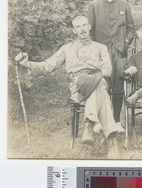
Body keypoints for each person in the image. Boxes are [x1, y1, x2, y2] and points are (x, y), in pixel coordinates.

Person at [15, 16, 120, 159]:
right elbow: (47, 65)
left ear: (89, 27)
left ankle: (88, 125)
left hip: (97, 81)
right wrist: (27, 64)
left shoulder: (100, 47)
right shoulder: (67, 48)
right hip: (77, 87)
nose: (82, 29)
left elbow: (107, 70)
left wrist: (93, 74)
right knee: (101, 91)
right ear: (74, 30)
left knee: (98, 84)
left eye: (84, 25)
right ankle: (112, 142)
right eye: (78, 27)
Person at [87, 0, 136, 131]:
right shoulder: (93, 6)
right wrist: (95, 50)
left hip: (119, 52)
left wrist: (125, 44)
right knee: (102, 85)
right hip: (101, 52)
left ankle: (116, 120)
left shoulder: (124, 4)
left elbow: (131, 29)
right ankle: (101, 121)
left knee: (119, 87)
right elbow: (90, 31)